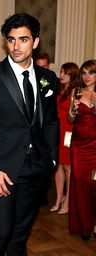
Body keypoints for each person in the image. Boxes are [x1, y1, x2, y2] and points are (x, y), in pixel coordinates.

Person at [0, 13, 59, 256]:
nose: (16, 46)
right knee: (2, 230)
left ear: (35, 42)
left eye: (23, 39)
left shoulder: (48, 78)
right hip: (2, 169)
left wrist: (50, 159)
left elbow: (50, 121)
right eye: (11, 40)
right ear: (5, 42)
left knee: (21, 232)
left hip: (37, 167)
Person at [68, 59, 96, 241]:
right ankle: (84, 225)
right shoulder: (76, 92)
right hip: (78, 146)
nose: (86, 76)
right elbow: (70, 119)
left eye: (91, 72)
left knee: (94, 185)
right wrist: (73, 111)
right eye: (84, 73)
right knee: (79, 182)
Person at [50, 62, 79, 215]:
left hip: (69, 131)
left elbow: (73, 117)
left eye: (65, 73)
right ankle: (58, 198)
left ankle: (68, 202)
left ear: (72, 76)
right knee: (58, 166)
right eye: (61, 72)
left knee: (68, 167)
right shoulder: (59, 89)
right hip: (57, 130)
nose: (61, 75)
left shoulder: (76, 91)